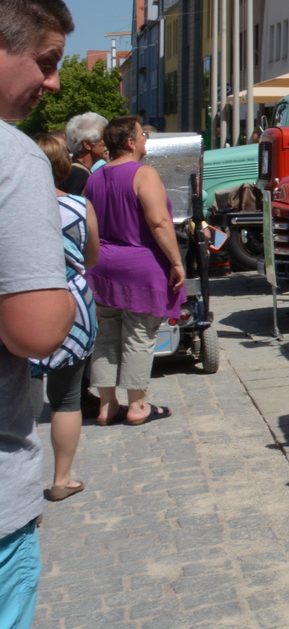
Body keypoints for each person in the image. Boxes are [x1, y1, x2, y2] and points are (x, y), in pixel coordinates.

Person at [0, 0, 79, 629]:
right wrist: (68, 292)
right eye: (46, 62)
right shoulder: (13, 159)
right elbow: (35, 329)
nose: (52, 83)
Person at [85, 116, 183, 428]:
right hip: (139, 266)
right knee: (139, 335)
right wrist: (176, 262)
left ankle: (106, 404)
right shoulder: (143, 173)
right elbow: (159, 222)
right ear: (130, 142)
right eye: (142, 135)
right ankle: (138, 404)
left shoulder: (94, 178)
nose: (145, 140)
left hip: (102, 266)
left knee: (106, 336)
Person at [31, 135, 97, 502]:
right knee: (66, 399)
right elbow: (91, 258)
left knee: (18, 402)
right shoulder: (78, 205)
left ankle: (21, 489)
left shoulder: (8, 205)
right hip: (70, 302)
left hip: (19, 302)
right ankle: (62, 478)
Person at [62, 112, 108, 197]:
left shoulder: (70, 167)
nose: (108, 142)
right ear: (87, 145)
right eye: (103, 138)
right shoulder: (79, 175)